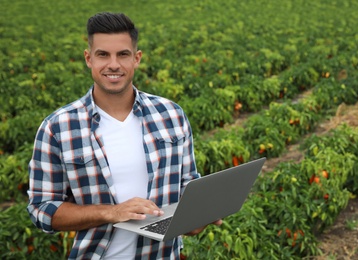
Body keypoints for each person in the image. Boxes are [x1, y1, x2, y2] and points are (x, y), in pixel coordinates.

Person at [27, 12, 222, 259]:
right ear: (88, 59)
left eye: (123, 54)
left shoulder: (171, 115)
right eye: (103, 55)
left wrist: (198, 215)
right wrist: (111, 212)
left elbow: (187, 186)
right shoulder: (58, 127)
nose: (113, 64)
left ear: (136, 59)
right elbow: (42, 209)